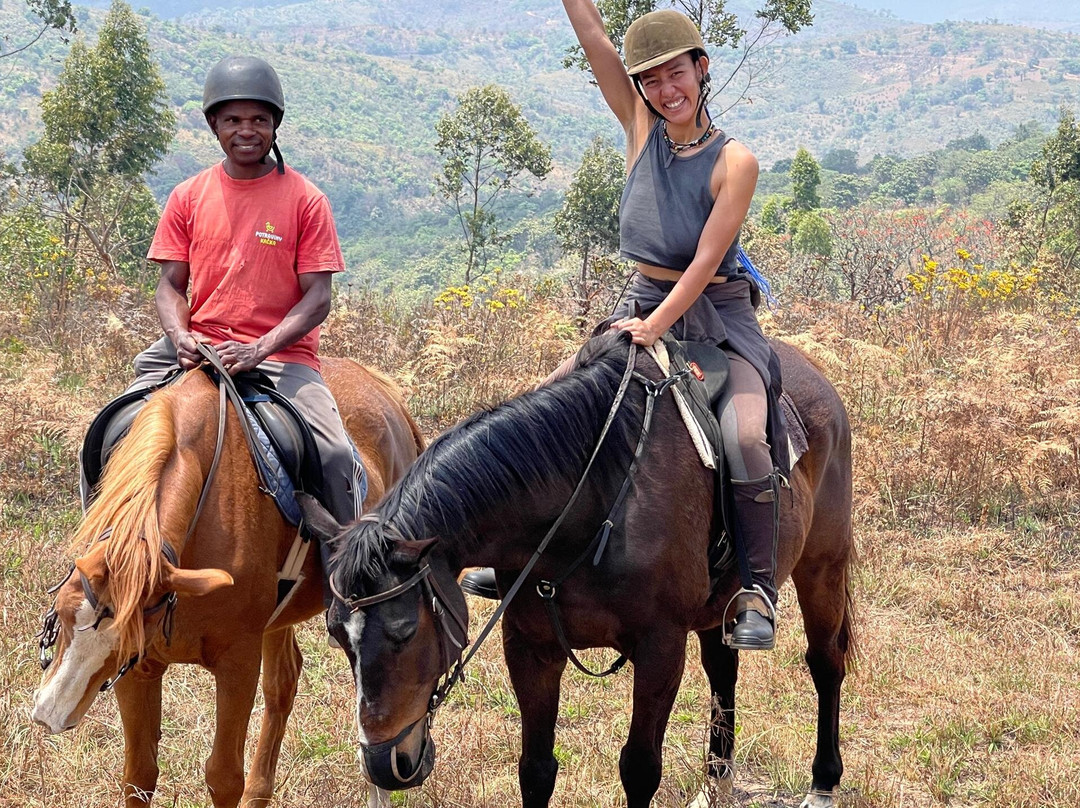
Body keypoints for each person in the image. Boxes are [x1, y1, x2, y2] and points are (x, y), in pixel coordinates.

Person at [462, 3, 785, 651]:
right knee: (546, 408)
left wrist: (653, 326)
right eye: (652, 80)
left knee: (746, 434)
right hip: (641, 299)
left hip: (717, 316)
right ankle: (523, 551)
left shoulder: (735, 162)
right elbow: (593, 37)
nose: (667, 91)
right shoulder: (639, 128)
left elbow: (701, 263)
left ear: (702, 68)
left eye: (677, 74)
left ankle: (756, 589)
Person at [129, 55, 358, 528]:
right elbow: (170, 286)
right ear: (214, 125)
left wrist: (258, 349)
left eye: (259, 120)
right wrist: (179, 336)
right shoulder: (187, 197)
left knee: (335, 456)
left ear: (275, 126)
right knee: (107, 431)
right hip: (199, 347)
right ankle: (93, 558)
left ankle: (357, 574)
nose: (246, 130)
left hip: (281, 357)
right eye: (233, 120)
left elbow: (318, 298)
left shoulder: (305, 199)